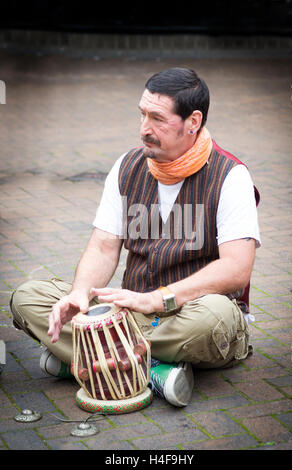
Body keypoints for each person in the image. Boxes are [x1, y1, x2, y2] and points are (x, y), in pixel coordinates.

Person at [10, 68, 260, 407]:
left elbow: (236, 270)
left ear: (193, 121)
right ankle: (156, 369)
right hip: (132, 312)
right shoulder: (127, 166)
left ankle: (89, 358)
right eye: (142, 114)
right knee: (27, 298)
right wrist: (79, 294)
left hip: (192, 312)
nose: (144, 128)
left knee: (214, 318)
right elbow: (103, 246)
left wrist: (158, 300)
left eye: (158, 118)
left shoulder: (231, 175)